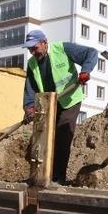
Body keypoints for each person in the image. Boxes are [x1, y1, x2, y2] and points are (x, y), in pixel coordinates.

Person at [22, 29, 97, 184]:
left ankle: (57, 178)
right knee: (41, 138)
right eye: (30, 49)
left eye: (34, 48)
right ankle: (39, 175)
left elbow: (91, 53)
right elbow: (30, 87)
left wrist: (85, 71)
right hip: (48, 104)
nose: (32, 52)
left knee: (62, 136)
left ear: (44, 42)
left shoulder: (62, 49)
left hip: (69, 100)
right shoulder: (32, 63)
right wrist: (29, 108)